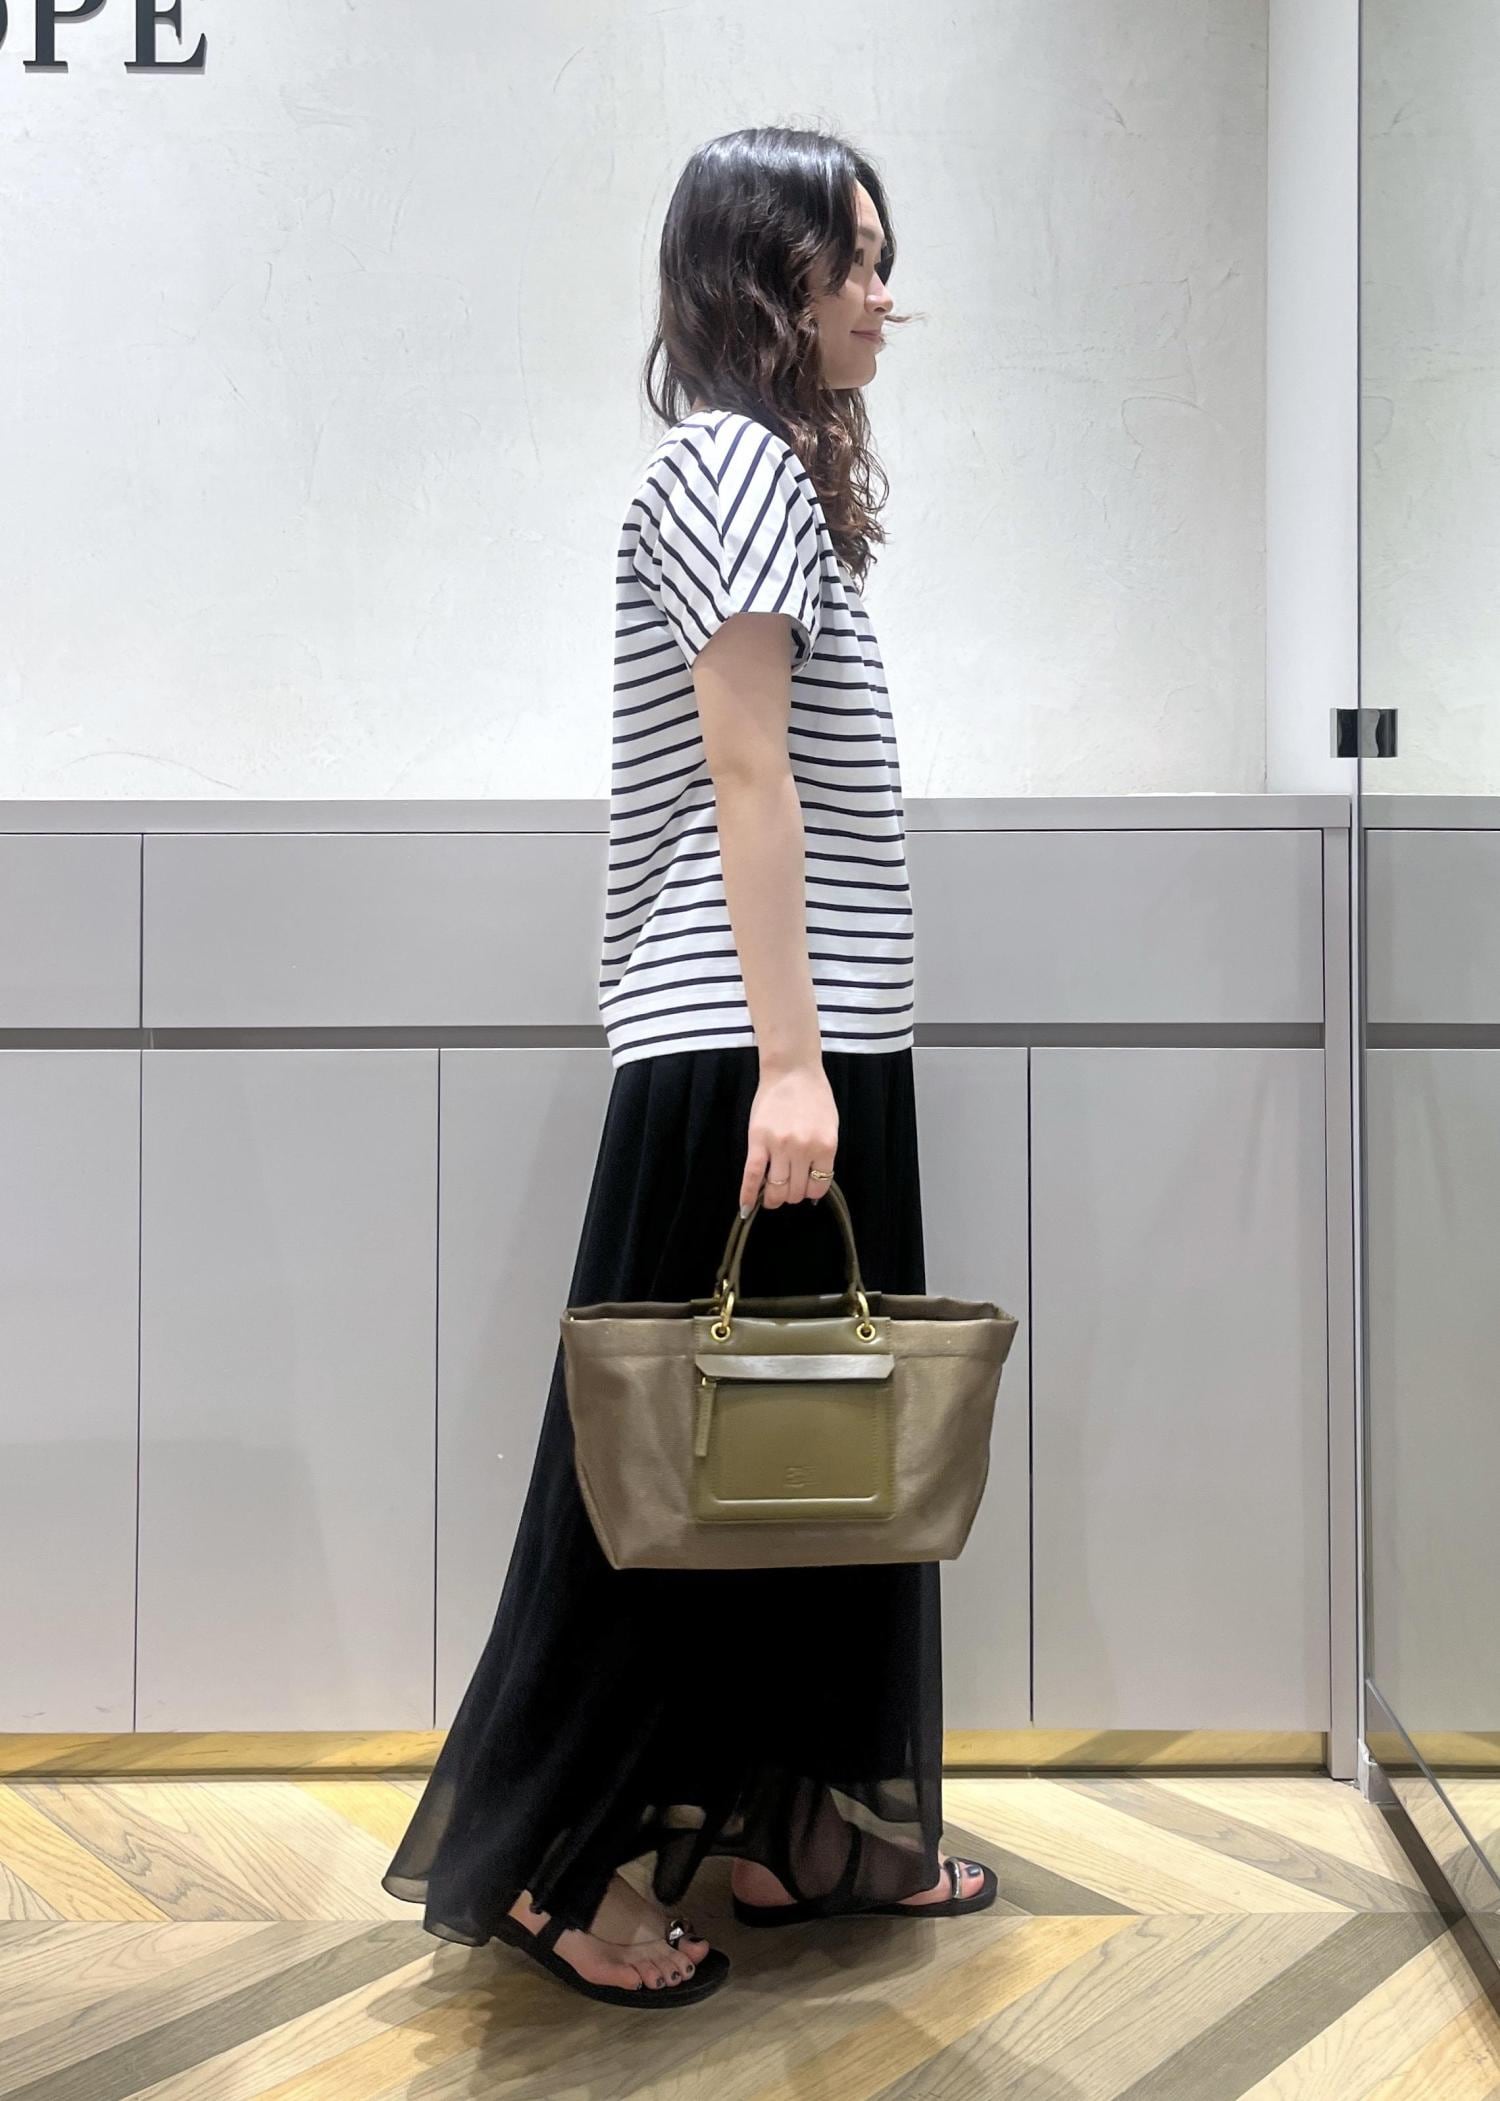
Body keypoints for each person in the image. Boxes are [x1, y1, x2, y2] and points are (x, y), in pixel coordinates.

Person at [381, 123, 995, 2010]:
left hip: (808, 1037)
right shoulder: (733, 463)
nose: (885, 295)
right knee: (655, 1476)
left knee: (811, 1465)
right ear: (765, 275)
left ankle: (799, 1822)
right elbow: (748, 770)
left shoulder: (772, 471)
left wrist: (824, 1051)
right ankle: (550, 1863)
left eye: (885, 258)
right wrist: (792, 1065)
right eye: (855, 258)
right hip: (751, 1045)